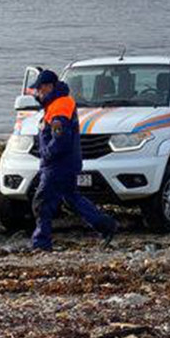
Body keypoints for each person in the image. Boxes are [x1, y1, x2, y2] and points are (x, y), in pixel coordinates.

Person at [28, 68, 117, 251]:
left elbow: (61, 139)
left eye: (39, 89)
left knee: (42, 202)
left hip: (58, 164)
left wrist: (47, 154)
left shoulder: (60, 106)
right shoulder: (57, 103)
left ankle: (41, 243)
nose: (37, 93)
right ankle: (106, 225)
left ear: (48, 87)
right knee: (72, 199)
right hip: (65, 162)